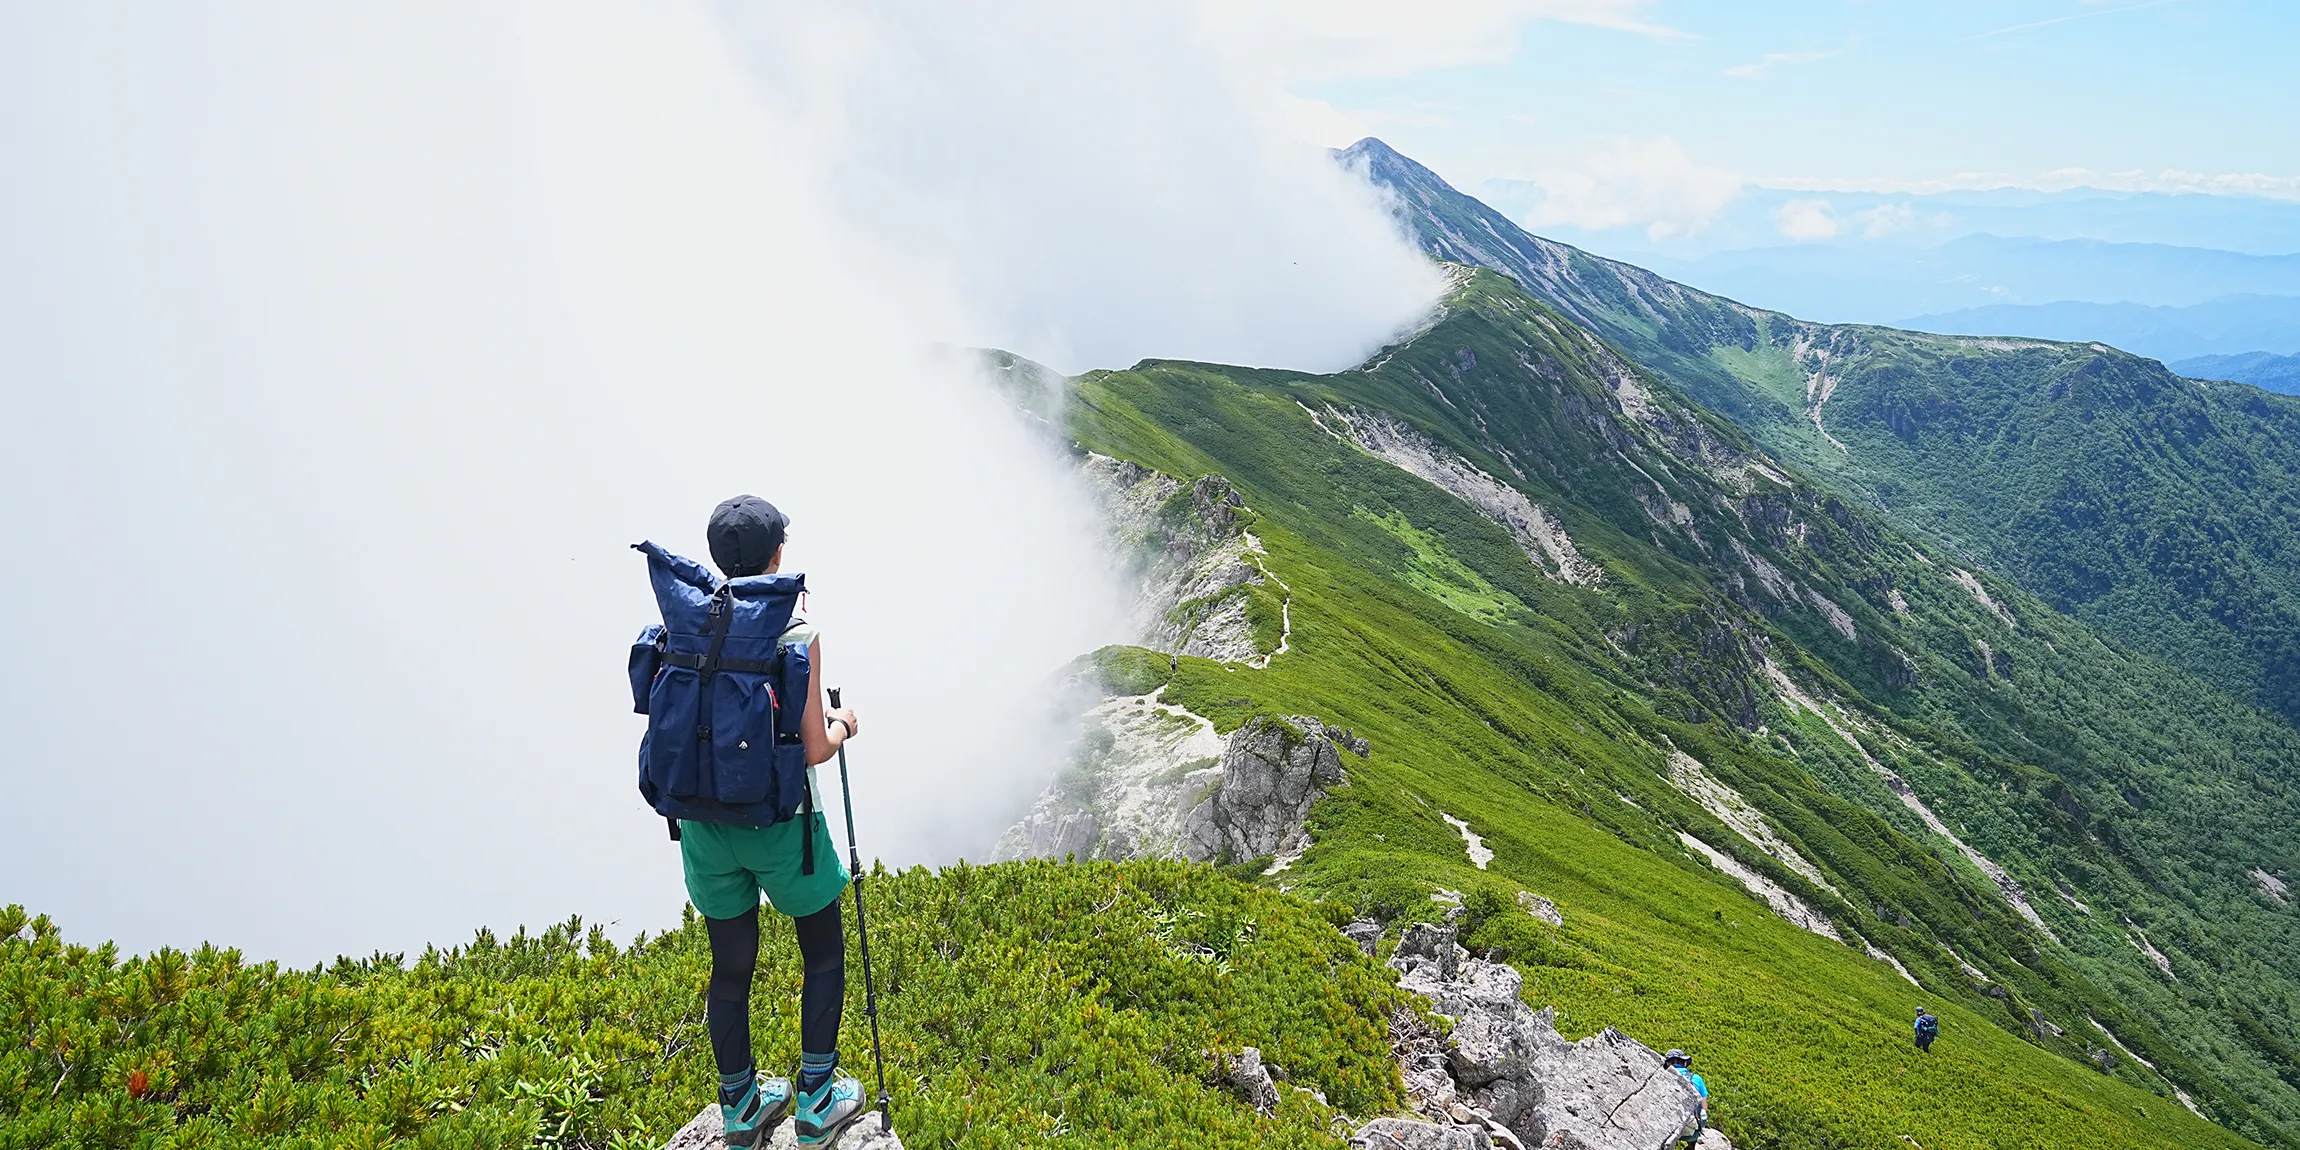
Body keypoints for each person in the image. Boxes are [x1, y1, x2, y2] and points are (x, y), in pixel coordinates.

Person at [684, 495, 869, 1148]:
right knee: (822, 952)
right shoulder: (795, 625)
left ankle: (740, 1105)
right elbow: (814, 746)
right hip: (783, 823)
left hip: (704, 825)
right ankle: (817, 1100)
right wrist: (845, 724)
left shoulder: (689, 619)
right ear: (778, 556)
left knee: (729, 968)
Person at [1664, 1049, 1708, 1144]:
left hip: (1666, 1129)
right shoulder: (1695, 1078)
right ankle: (1692, 1144)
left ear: (1667, 1064)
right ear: (1684, 1063)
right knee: (1701, 1113)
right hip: (1691, 1131)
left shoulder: (1662, 1077)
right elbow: (1704, 1106)